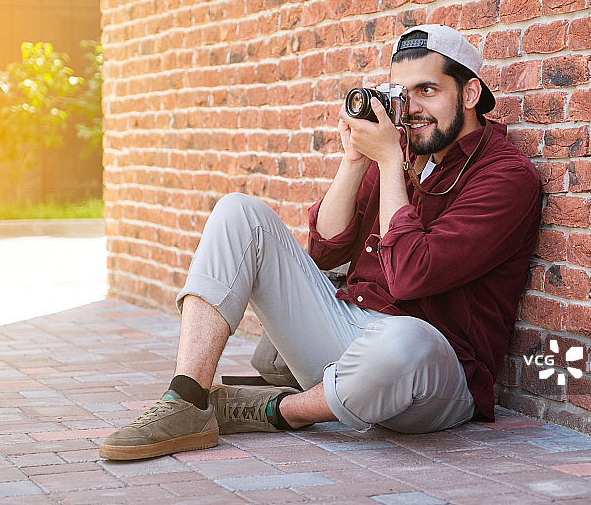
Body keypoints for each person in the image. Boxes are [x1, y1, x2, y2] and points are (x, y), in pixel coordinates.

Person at [99, 24, 543, 461]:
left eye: (428, 90)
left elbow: (411, 276)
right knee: (239, 212)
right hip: (353, 335)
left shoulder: (505, 176)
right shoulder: (401, 153)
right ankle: (187, 399)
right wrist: (354, 160)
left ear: (468, 94)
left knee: (405, 342)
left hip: (435, 372)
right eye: (402, 95)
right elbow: (325, 251)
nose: (411, 109)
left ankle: (278, 409)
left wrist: (388, 161)